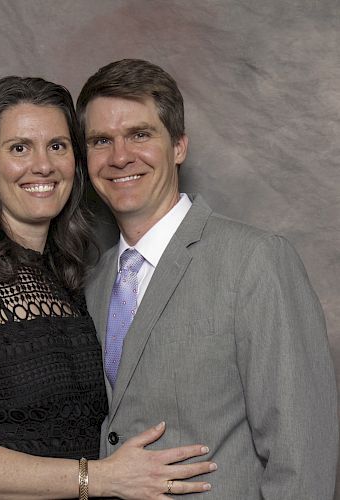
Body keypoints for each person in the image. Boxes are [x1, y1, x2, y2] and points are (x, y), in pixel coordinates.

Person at [0, 75, 217, 499]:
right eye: (19, 148)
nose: (43, 166)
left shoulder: (75, 283)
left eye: (57, 146)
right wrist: (102, 479)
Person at [76, 59, 339, 499]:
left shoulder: (255, 261)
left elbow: (303, 454)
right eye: (102, 140)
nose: (120, 156)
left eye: (140, 135)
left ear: (179, 145)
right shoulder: (92, 281)